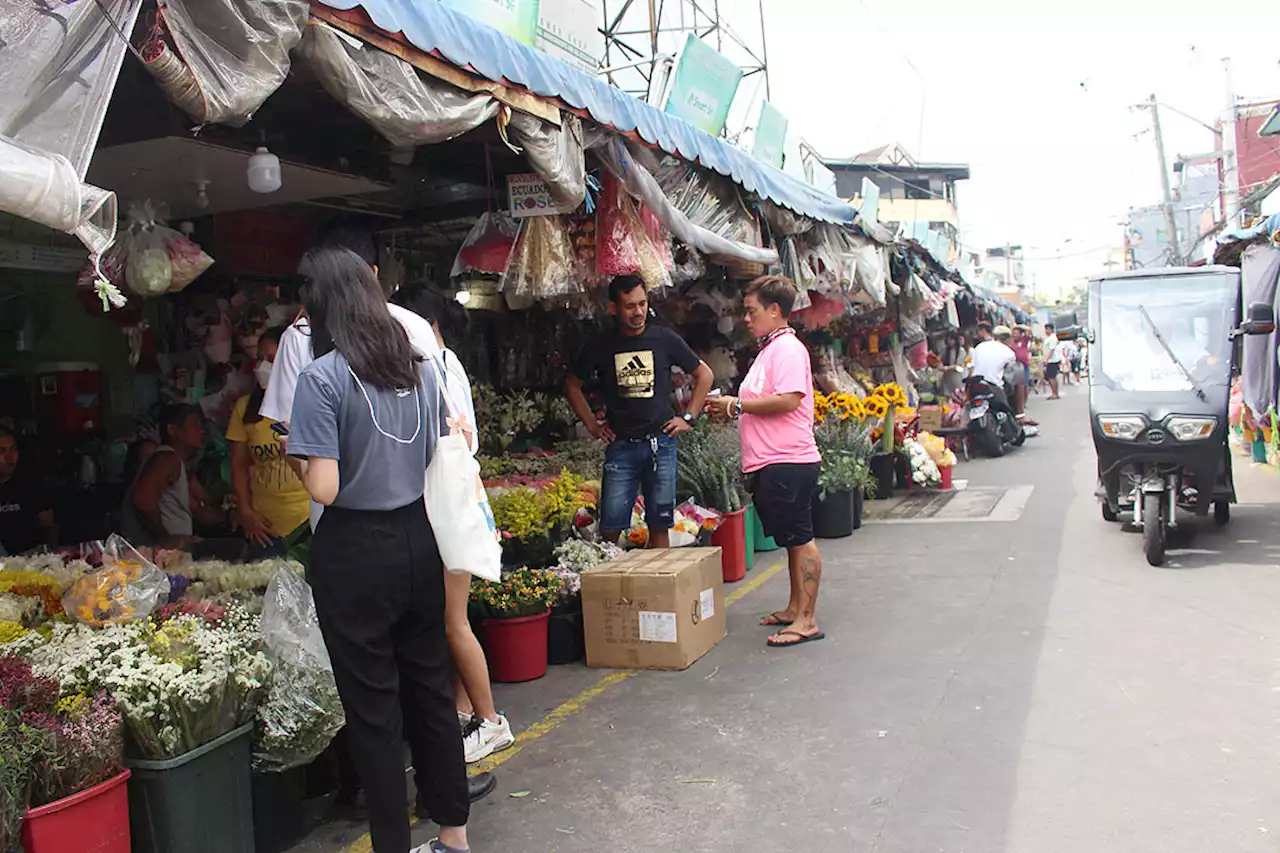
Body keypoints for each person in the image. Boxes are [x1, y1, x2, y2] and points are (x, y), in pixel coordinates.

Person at [263, 228, 495, 811]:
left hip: (352, 543)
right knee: (427, 688)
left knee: (372, 707)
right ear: (367, 279)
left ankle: (383, 821)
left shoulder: (316, 366)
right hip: (418, 531)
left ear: (318, 300)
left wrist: (301, 453)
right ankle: (451, 828)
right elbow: (449, 436)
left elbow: (325, 483)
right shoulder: (413, 346)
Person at [394, 281, 514, 765]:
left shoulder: (437, 369)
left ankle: (490, 721)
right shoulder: (442, 366)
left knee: (454, 622)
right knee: (448, 623)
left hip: (449, 509)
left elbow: (461, 440)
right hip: (451, 506)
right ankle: (466, 713)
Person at [705, 276, 824, 649]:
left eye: (752, 310)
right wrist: (730, 408)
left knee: (801, 539)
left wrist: (735, 405)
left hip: (788, 461)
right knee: (792, 539)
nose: (746, 318)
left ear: (775, 311)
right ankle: (794, 607)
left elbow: (789, 399)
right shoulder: (771, 349)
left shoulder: (787, 349)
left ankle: (807, 619)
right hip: (774, 462)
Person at [565, 275, 714, 548]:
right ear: (614, 308)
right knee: (610, 527)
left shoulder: (664, 338)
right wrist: (592, 425)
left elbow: (704, 375)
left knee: (660, 524)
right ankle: (612, 583)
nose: (638, 312)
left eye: (642, 304)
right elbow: (572, 385)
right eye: (630, 306)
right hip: (621, 446)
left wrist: (689, 418)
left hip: (661, 443)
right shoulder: (601, 345)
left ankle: (659, 586)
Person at [226, 327, 311, 559]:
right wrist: (245, 511)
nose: (263, 366)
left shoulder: (309, 403)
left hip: (307, 521)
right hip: (264, 526)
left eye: (271, 359)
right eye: (260, 359)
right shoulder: (246, 408)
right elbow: (239, 464)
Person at [119, 404, 221, 548]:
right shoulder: (167, 458)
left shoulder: (175, 462)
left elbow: (199, 509)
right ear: (172, 430)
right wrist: (164, 539)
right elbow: (142, 499)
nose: (201, 431)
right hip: (157, 555)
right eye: (194, 425)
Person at [0, 426, 56, 555]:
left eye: (13, 449)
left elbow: (48, 526)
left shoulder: (31, 483)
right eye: (2, 451)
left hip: (32, 560)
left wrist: (52, 554)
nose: (10, 457)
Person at [969, 325, 1019, 419]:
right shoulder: (1009, 353)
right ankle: (1019, 414)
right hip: (994, 388)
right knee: (1019, 378)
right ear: (1008, 339)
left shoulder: (980, 346)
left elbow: (971, 368)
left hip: (974, 386)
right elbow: (1010, 376)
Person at [1009, 326, 1037, 425]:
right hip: (1015, 366)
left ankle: (1023, 403)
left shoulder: (1024, 340)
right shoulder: (1011, 342)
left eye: (1017, 333)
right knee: (1017, 387)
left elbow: (1029, 330)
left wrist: (1018, 326)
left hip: (1024, 366)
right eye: (1014, 333)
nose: (1015, 334)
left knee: (1024, 386)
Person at [940, 332, 970, 398]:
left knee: (959, 396)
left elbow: (959, 365)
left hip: (957, 378)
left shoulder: (961, 351)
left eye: (951, 340)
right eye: (948, 340)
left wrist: (947, 368)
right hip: (947, 379)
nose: (950, 342)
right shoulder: (945, 351)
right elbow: (940, 359)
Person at [1042, 323, 1063, 399]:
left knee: (1051, 377)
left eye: (1047, 329)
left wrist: (1046, 359)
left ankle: (1055, 393)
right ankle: (1054, 393)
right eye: (1046, 329)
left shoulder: (1053, 338)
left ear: (1051, 329)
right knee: (1052, 377)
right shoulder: (1049, 338)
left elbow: (1051, 349)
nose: (1046, 331)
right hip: (1050, 360)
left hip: (1052, 360)